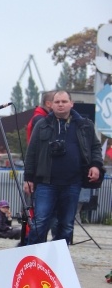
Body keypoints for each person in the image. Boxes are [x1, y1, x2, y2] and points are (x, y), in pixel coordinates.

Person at [24, 90, 103, 245]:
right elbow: (31, 153)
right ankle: (33, 260)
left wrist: (96, 165)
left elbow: (95, 147)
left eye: (64, 102)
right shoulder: (42, 124)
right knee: (40, 223)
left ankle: (59, 262)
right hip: (46, 183)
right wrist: (28, 178)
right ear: (51, 105)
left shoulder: (84, 125)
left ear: (71, 104)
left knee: (66, 225)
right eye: (57, 102)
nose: (60, 105)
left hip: (73, 183)